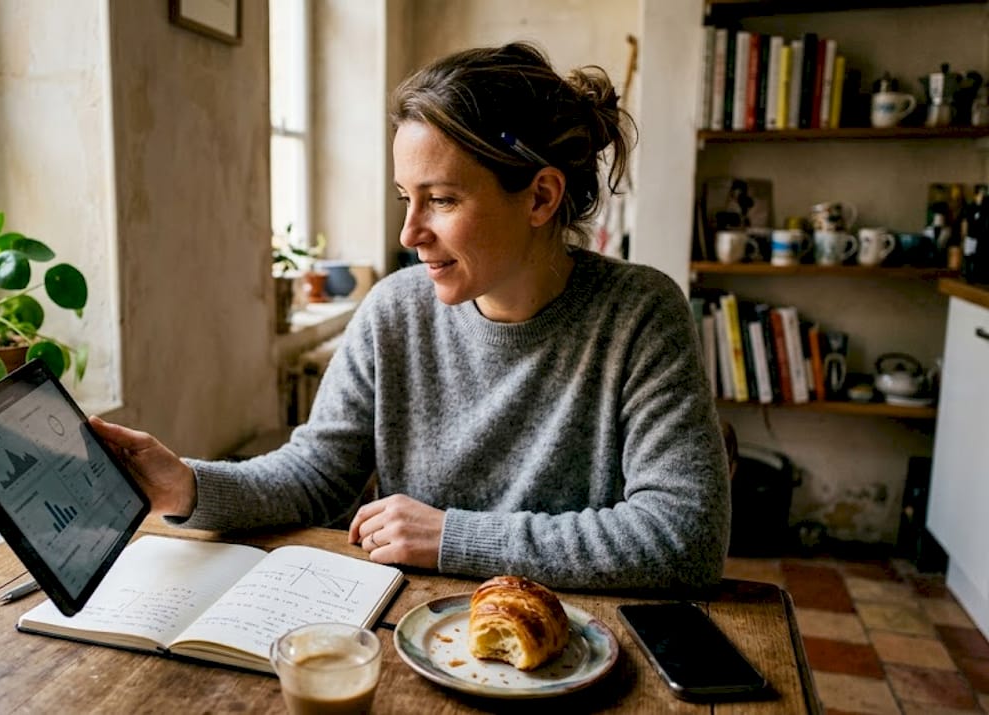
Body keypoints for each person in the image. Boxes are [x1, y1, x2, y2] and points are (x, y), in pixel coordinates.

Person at [91, 41, 729, 591]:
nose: (409, 233)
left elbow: (685, 534)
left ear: (540, 196)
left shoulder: (639, 316)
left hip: (571, 642)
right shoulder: (394, 310)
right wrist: (188, 487)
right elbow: (316, 473)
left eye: (442, 199)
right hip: (413, 633)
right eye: (405, 198)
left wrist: (452, 537)